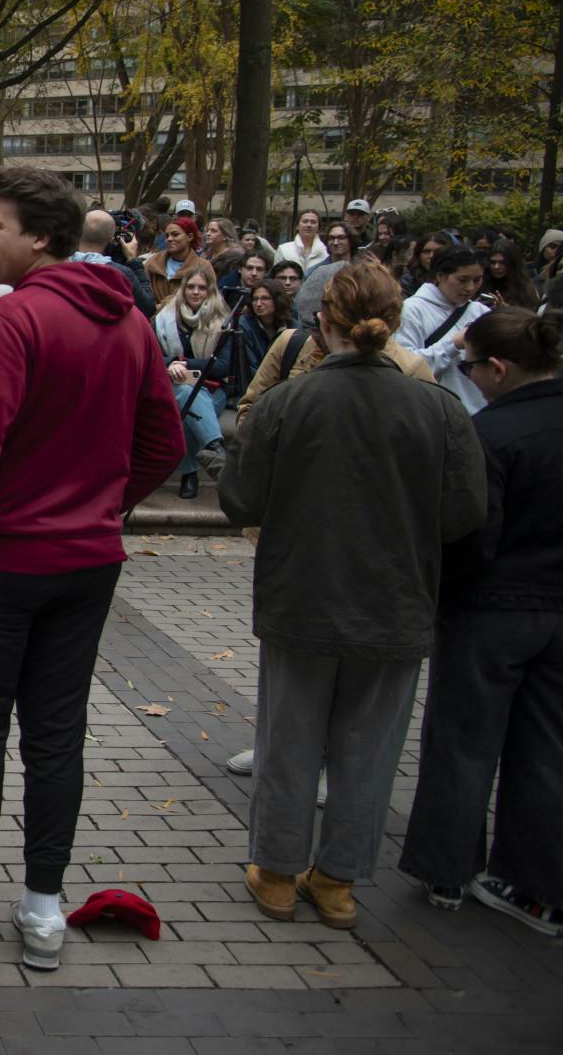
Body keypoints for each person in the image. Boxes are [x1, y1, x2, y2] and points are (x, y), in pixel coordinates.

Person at [0, 166, 184, 974]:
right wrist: (103, 506)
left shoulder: (13, 322)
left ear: (40, 238)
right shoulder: (127, 322)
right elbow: (165, 441)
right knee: (58, 735)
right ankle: (45, 910)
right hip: (87, 563)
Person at [219, 264, 485, 930]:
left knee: (289, 740)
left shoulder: (289, 402)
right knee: (370, 747)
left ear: (323, 321)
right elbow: (464, 513)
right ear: (393, 323)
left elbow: (241, 497)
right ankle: (337, 880)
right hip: (396, 600)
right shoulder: (440, 408)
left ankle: (278, 872)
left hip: (301, 596)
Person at [397, 308, 563, 930]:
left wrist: (445, 593)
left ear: (498, 368)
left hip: (492, 610)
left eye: (471, 368)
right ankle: (539, 888)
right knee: (547, 748)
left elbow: (471, 535)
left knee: (463, 742)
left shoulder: (491, 434)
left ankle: (447, 869)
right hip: (556, 608)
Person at [155, 267, 233, 500]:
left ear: (210, 291)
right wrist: (171, 365)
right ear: (183, 289)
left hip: (212, 388)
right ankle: (216, 448)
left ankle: (189, 474)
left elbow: (222, 366)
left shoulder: (223, 321)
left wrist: (184, 364)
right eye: (190, 287)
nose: (195, 292)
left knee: (187, 401)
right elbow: (152, 355)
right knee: (185, 392)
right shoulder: (164, 319)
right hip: (174, 383)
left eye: (201, 287)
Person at [397, 245, 488, 415]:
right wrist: (453, 344)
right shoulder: (411, 310)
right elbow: (404, 367)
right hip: (434, 413)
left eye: (477, 280)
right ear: (440, 276)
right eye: (462, 280)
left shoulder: (480, 311)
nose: (470, 288)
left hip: (480, 412)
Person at [294, 220, 362, 325]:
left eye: (341, 238)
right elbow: (303, 306)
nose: (335, 242)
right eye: (331, 238)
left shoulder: (362, 269)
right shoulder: (315, 272)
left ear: (350, 240)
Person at [142, 217, 211, 307]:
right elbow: (144, 295)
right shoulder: (152, 264)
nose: (169, 239)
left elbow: (211, 299)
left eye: (175, 235)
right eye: (167, 236)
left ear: (189, 237)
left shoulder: (203, 266)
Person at [482, 239, 541, 310]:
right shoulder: (482, 283)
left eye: (502, 263)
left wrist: (508, 310)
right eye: (493, 262)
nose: (496, 267)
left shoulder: (526, 289)